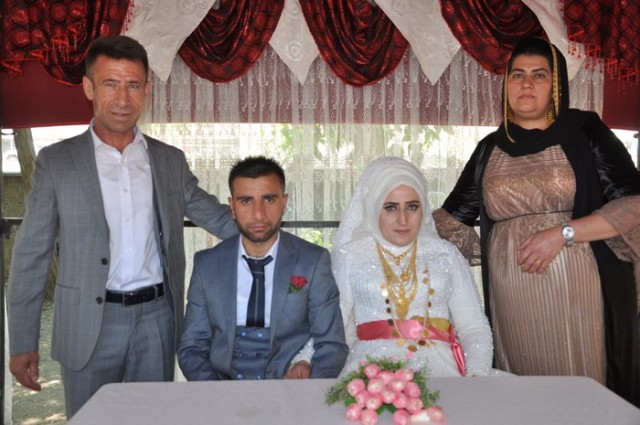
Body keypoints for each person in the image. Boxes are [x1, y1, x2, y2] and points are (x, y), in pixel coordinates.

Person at [7, 35, 237, 418]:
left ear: (146, 90)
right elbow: (31, 255)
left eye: (133, 85)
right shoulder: (57, 162)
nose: (122, 98)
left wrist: (275, 242)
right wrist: (22, 341)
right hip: (88, 324)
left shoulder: (169, 160)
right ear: (88, 88)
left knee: (152, 418)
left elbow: (215, 216)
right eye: (110, 83)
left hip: (157, 321)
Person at [433, 37, 640, 406]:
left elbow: (633, 204)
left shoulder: (585, 131)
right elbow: (451, 223)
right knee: (524, 400)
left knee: (581, 395)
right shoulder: (489, 149)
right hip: (512, 304)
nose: (526, 83)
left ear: (556, 85)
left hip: (579, 296)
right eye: (517, 75)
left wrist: (563, 233)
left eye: (539, 75)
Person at [178, 156, 348, 380]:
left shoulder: (313, 261)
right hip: (221, 388)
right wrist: (215, 391)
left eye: (268, 199)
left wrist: (305, 389)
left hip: (288, 390)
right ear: (232, 207)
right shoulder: (206, 265)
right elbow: (192, 347)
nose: (258, 214)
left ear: (284, 203)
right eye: (246, 201)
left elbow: (332, 344)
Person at [331, 156, 493, 377]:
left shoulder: (446, 254)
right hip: (370, 373)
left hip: (442, 373)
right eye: (390, 208)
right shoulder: (351, 256)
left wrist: (477, 377)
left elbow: (474, 327)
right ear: (373, 208)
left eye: (412, 207)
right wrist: (303, 361)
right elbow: (331, 326)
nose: (403, 219)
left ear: (423, 208)